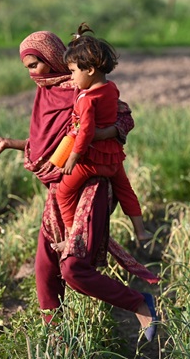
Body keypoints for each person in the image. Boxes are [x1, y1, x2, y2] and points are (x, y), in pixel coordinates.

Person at [0, 30, 160, 341]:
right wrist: (7, 144)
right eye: (27, 67)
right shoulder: (46, 94)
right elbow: (48, 144)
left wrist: (104, 134)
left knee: (74, 269)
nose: (31, 73)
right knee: (45, 268)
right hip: (61, 185)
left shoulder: (81, 87)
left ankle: (140, 304)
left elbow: (123, 118)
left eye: (34, 64)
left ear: (51, 59)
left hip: (91, 183)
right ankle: (56, 337)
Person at [51, 23, 150, 253]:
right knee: (125, 190)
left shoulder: (86, 99)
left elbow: (85, 131)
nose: (72, 77)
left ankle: (71, 236)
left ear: (90, 70)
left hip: (92, 161)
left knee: (64, 193)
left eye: (74, 71)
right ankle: (141, 230)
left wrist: (73, 158)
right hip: (113, 158)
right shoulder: (111, 89)